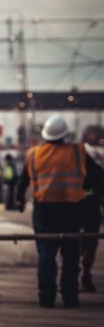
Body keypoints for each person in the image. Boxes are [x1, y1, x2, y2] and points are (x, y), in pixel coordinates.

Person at [16, 115, 104, 307]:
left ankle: (46, 297)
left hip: (44, 212)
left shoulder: (33, 154)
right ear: (65, 135)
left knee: (46, 256)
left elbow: (22, 182)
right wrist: (89, 193)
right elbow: (98, 177)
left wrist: (19, 201)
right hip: (72, 211)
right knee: (71, 256)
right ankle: (70, 297)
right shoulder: (78, 152)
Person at [80, 125, 104, 293]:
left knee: (73, 243)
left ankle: (75, 275)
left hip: (74, 208)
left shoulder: (73, 163)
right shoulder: (96, 168)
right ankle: (85, 274)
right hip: (91, 209)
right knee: (90, 243)